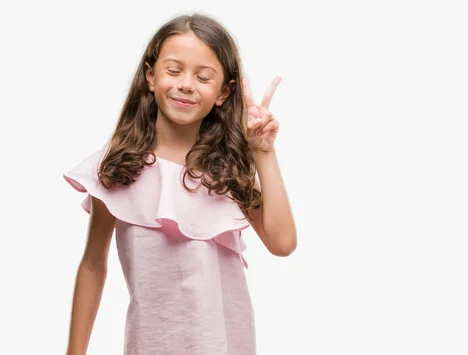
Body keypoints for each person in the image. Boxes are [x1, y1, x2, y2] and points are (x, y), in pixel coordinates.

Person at [63, 13, 297, 355]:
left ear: (223, 92)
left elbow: (283, 242)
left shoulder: (226, 173)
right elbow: (93, 265)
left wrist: (263, 152)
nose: (187, 83)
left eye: (203, 77)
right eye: (174, 70)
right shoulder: (117, 167)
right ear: (150, 76)